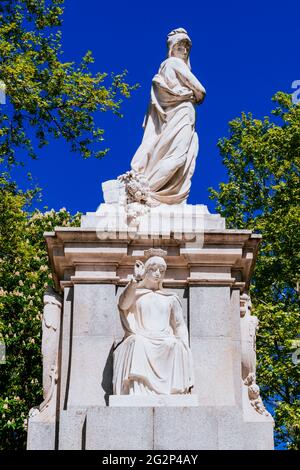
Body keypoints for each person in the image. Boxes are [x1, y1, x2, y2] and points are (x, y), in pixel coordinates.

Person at [130, 28, 206, 206]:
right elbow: (201, 91)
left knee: (169, 155)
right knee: (179, 157)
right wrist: (190, 94)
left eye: (187, 47)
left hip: (172, 118)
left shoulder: (164, 67)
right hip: (181, 115)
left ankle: (141, 191)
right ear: (172, 48)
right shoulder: (173, 63)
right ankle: (140, 192)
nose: (185, 51)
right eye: (181, 46)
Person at [113, 249, 194, 395]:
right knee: (138, 342)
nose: (158, 273)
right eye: (153, 269)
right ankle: (138, 391)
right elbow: (123, 305)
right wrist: (135, 281)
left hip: (164, 338)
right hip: (142, 337)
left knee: (174, 344)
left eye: (161, 270)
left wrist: (184, 345)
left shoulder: (170, 298)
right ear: (145, 271)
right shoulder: (136, 293)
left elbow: (180, 325)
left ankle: (171, 391)